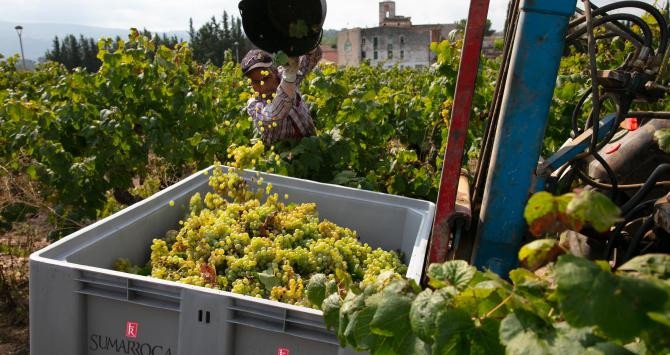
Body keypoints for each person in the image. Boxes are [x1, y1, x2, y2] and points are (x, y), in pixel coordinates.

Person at [241, 47, 322, 145]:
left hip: (312, 147)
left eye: (266, 78)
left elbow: (313, 57)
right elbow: (273, 114)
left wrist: (302, 46)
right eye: (255, 82)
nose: (263, 87)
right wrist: (289, 77)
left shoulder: (286, 73)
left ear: (275, 71)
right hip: (282, 157)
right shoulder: (253, 105)